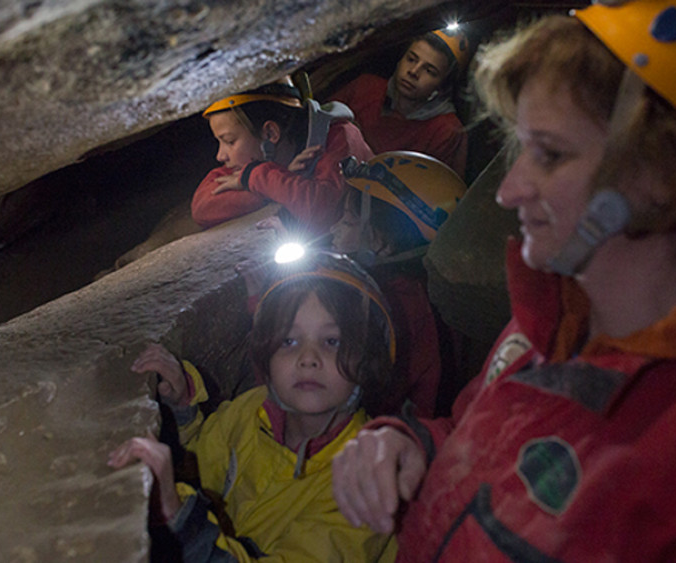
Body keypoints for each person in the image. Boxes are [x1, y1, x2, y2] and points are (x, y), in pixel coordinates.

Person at [331, 2, 676, 561]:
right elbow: (490, 449)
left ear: (662, 174)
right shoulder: (545, 326)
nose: (508, 192)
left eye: (550, 154)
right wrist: (414, 448)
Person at [108, 251, 398, 562]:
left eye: (332, 341)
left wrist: (181, 518)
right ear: (265, 355)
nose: (308, 358)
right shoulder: (251, 412)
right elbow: (200, 464)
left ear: (367, 360)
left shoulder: (368, 481)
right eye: (288, 341)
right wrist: (183, 406)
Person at [331, 150, 467, 416]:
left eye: (347, 221)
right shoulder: (421, 290)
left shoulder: (385, 307)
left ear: (384, 244)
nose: (334, 229)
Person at [191, 80, 373, 237]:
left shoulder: (338, 137)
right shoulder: (249, 163)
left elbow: (322, 211)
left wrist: (258, 177)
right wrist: (272, 183)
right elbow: (202, 207)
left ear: (270, 134)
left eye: (229, 141)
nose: (220, 155)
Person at [329, 27, 470, 177]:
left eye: (429, 71)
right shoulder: (365, 87)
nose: (414, 72)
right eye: (411, 59)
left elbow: (436, 193)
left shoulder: (447, 131)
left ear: (443, 87)